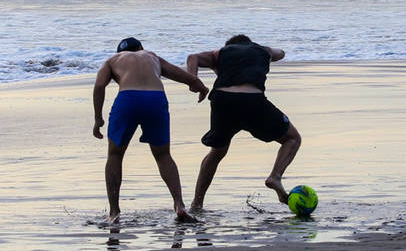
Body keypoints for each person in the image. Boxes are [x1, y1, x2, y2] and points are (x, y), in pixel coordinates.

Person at [92, 37, 209, 224]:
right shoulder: (151, 56)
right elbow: (184, 76)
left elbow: (99, 86)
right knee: (163, 155)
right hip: (156, 99)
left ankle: (114, 212)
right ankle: (179, 205)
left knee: (115, 155)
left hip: (127, 99)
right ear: (140, 47)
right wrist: (200, 88)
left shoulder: (113, 60)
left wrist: (98, 118)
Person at [186, 35, 301, 210]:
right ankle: (275, 176)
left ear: (229, 46)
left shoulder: (219, 53)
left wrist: (194, 81)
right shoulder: (263, 50)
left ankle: (197, 203)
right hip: (253, 101)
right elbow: (281, 53)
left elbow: (192, 57)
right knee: (292, 138)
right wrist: (268, 54)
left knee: (216, 153)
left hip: (223, 101)